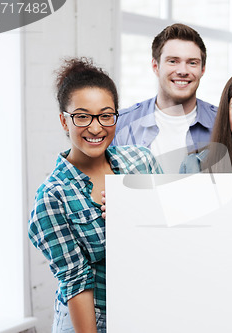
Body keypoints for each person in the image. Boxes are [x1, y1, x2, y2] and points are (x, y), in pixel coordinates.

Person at [28, 57, 162, 332]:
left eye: (105, 115)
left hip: (143, 304)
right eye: (82, 116)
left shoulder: (141, 161)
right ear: (64, 121)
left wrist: (138, 214)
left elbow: (173, 226)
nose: (96, 127)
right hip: (93, 316)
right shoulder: (52, 197)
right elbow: (77, 283)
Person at [113, 23, 217, 173]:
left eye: (192, 63)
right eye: (173, 61)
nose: (182, 71)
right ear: (156, 66)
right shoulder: (121, 124)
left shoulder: (223, 122)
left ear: (203, 70)